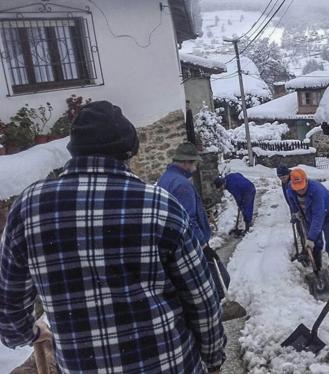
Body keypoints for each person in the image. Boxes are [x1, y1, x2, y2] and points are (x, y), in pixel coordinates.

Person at [0, 101, 226, 373]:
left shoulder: (28, 209)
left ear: (73, 150)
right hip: (169, 362)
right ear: (129, 152)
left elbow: (9, 311)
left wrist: (30, 333)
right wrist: (213, 358)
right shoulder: (159, 206)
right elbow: (202, 299)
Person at [157, 142, 230, 300]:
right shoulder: (182, 185)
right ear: (186, 162)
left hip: (175, 242)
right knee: (219, 281)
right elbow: (188, 218)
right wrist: (204, 246)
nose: (195, 168)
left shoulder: (165, 179)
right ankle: (215, 312)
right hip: (191, 244)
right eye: (194, 164)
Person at [287, 168, 329, 285]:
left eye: (302, 187)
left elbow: (318, 216)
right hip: (308, 215)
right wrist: (296, 213)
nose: (300, 191)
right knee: (316, 243)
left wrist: (310, 238)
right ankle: (318, 271)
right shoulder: (290, 191)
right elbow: (293, 204)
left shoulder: (316, 191)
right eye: (297, 188)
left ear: (306, 181)